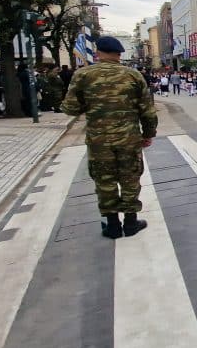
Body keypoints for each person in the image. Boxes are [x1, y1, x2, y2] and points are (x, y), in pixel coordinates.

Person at [61, 36, 157, 239]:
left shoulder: (83, 75)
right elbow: (148, 111)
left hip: (99, 140)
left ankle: (112, 225)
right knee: (130, 178)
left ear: (97, 52)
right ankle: (131, 223)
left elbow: (70, 108)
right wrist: (148, 134)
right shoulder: (133, 75)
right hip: (129, 139)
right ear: (119, 54)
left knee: (105, 180)